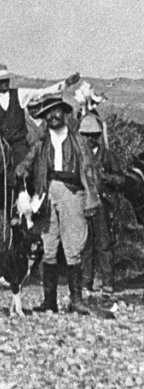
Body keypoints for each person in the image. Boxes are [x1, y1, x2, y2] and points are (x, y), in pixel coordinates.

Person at [16, 94, 101, 315]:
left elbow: (89, 171)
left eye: (57, 111)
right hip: (46, 194)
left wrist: (91, 199)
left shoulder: (78, 141)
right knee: (49, 246)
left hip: (72, 193)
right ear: (44, 117)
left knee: (73, 247)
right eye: (48, 113)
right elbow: (28, 160)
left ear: (63, 113)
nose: (53, 116)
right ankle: (49, 301)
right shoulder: (41, 143)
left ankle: (76, 300)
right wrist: (23, 168)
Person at [0, 64, 80, 174]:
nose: (4, 83)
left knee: (29, 171)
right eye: (0, 81)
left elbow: (43, 91)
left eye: (6, 80)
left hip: (19, 145)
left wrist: (66, 83)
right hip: (0, 147)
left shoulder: (19, 94)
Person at [78, 113, 118, 297]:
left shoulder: (107, 155)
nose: (91, 138)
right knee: (86, 245)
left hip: (102, 203)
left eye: (94, 135)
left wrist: (106, 177)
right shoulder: (78, 155)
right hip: (84, 203)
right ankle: (87, 281)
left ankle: (108, 282)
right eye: (87, 135)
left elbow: (120, 179)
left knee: (104, 244)